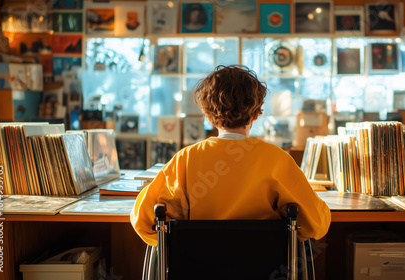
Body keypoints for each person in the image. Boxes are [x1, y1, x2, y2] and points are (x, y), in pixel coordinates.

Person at [131, 65, 331, 246]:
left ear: (208, 116)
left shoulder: (186, 159)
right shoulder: (277, 159)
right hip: (262, 268)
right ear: (255, 114)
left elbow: (144, 221)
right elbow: (317, 225)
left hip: (198, 267)